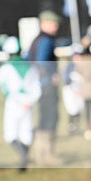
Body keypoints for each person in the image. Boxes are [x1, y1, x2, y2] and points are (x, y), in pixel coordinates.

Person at [0, 37, 41, 171]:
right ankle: (24, 157)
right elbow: (37, 87)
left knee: (10, 134)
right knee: (26, 132)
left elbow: (4, 88)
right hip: (28, 105)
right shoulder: (30, 67)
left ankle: (23, 157)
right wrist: (29, 101)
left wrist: (18, 100)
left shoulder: (5, 68)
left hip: (13, 104)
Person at [28, 10, 62, 166]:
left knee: (43, 119)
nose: (56, 26)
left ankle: (40, 155)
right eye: (52, 23)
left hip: (39, 86)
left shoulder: (37, 40)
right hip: (47, 86)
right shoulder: (46, 40)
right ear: (43, 24)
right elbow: (42, 62)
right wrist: (51, 76)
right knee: (50, 119)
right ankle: (47, 155)